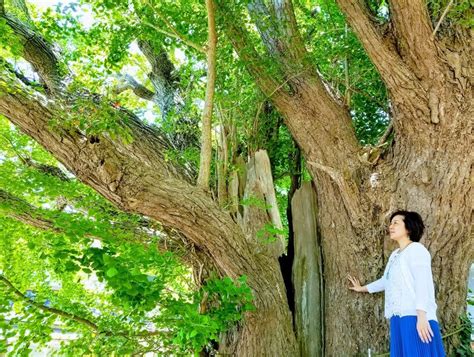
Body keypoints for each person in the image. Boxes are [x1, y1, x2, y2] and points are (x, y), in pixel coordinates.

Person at [348, 210, 446, 356]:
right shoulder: (395, 255)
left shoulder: (417, 250)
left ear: (409, 227)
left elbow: (422, 283)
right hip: (398, 317)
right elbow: (386, 280)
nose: (391, 226)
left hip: (415, 316)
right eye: (390, 223)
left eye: (396, 223)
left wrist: (422, 316)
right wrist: (362, 288)